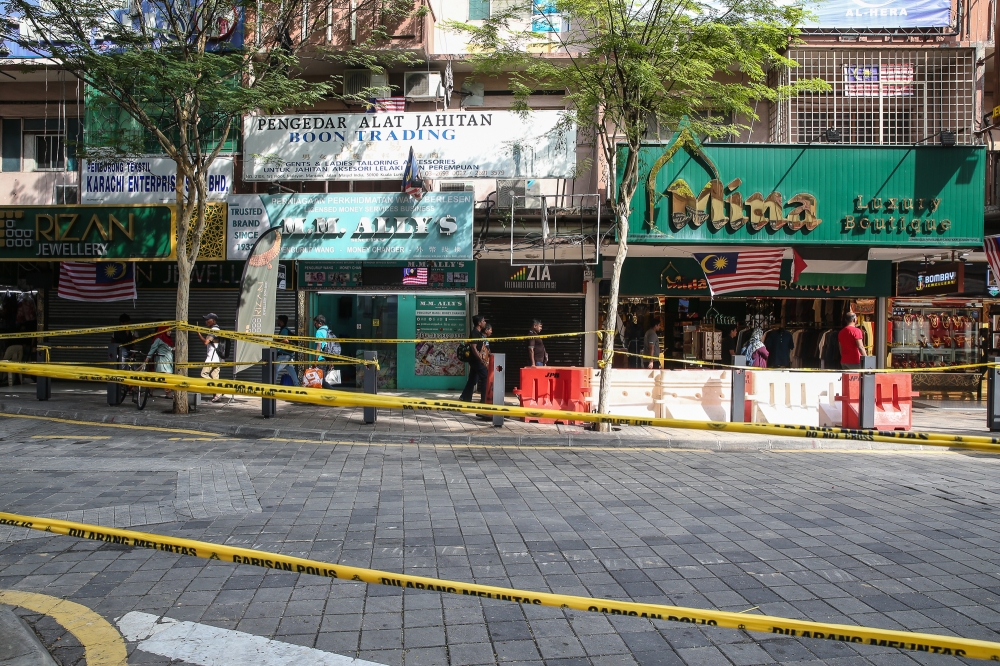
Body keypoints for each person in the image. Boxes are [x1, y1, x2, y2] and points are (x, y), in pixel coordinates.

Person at [460, 315, 488, 402]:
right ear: (479, 323)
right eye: (483, 321)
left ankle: (466, 398)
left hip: (474, 360)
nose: (485, 322)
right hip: (476, 360)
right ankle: (484, 399)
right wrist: (480, 359)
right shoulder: (475, 332)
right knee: (485, 377)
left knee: (472, 379)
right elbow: (473, 347)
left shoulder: (478, 333)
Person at [198, 313, 223, 402]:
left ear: (213, 321)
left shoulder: (213, 330)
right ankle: (217, 395)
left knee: (203, 374)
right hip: (218, 358)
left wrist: (199, 334)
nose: (206, 321)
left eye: (208, 319)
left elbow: (206, 342)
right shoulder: (218, 329)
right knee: (214, 377)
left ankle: (219, 391)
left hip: (212, 358)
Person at [146, 327, 174, 397]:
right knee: (166, 377)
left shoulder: (168, 339)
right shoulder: (159, 339)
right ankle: (168, 393)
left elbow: (167, 348)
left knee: (159, 377)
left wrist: (172, 349)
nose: (170, 332)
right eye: (168, 331)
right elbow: (152, 349)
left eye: (170, 331)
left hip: (168, 361)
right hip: (162, 361)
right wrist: (147, 359)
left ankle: (150, 390)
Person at [275, 315, 298, 386]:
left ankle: (271, 386)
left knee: (275, 370)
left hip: (284, 356)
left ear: (281, 321)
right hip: (288, 355)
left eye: (278, 320)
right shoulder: (284, 329)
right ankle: (297, 385)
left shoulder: (284, 330)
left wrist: (276, 344)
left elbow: (285, 340)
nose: (277, 321)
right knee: (292, 371)